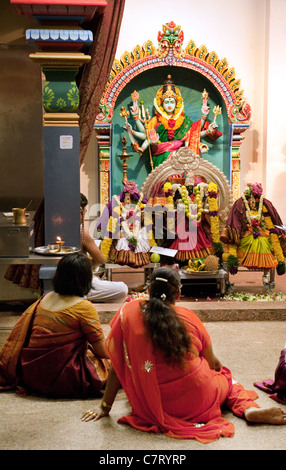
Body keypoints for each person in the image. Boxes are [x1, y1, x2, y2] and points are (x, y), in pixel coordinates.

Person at [82, 267, 286, 443]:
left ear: (148, 290)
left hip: (153, 403)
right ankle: (248, 410)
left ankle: (245, 408)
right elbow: (213, 362)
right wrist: (216, 370)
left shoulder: (128, 312)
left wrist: (105, 407)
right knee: (227, 378)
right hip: (198, 398)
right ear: (178, 294)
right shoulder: (188, 317)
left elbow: (118, 364)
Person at [0, 252, 109, 398]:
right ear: (85, 279)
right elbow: (102, 352)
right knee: (117, 363)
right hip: (61, 375)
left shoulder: (45, 298)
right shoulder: (84, 307)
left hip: (31, 373)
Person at [124, 75, 222, 169]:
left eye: (172, 102)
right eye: (166, 102)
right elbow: (146, 135)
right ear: (161, 104)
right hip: (160, 158)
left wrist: (207, 128)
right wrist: (134, 123)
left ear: (177, 103)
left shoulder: (184, 120)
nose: (169, 105)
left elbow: (194, 135)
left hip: (178, 158)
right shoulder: (156, 120)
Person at [220, 183, 286, 275]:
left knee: (264, 241)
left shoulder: (264, 206)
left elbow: (270, 223)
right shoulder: (241, 205)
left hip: (261, 232)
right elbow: (237, 224)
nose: (253, 201)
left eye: (256, 198)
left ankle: (273, 263)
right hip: (247, 233)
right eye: (251, 198)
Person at [80, 193, 128, 302]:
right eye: (85, 211)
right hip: (80, 285)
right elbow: (100, 259)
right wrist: (87, 267)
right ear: (80, 211)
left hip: (60, 284)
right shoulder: (82, 233)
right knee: (122, 289)